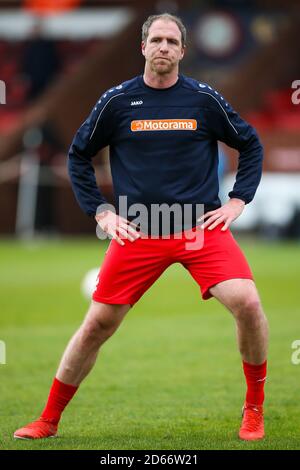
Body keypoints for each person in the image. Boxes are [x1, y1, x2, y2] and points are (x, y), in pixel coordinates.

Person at [14, 13, 268, 442]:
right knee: (96, 325)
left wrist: (240, 200)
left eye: (172, 40)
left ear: (183, 51)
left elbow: (251, 143)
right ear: (143, 47)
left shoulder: (205, 100)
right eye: (157, 39)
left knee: (246, 301)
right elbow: (78, 156)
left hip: (198, 229)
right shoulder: (116, 101)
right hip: (139, 230)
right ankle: (48, 419)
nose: (164, 47)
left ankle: (254, 410)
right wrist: (100, 211)